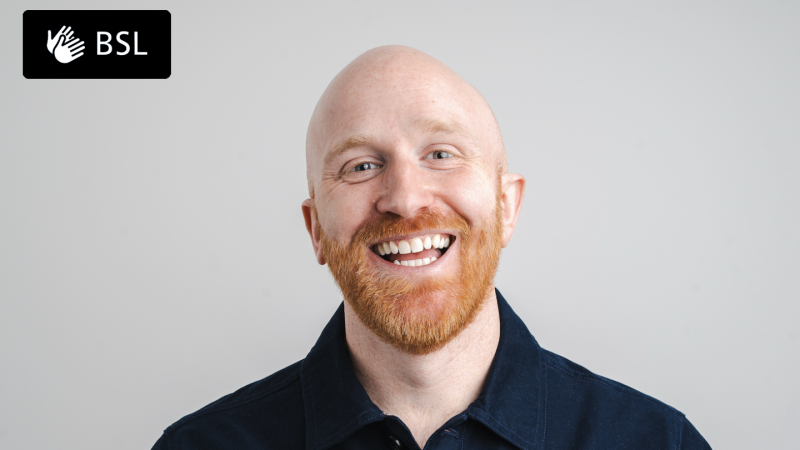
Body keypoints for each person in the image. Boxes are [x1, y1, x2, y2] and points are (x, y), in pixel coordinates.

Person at [152, 46, 711, 450]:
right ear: (316, 229)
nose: (405, 198)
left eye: (441, 153)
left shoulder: (658, 442)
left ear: (506, 204)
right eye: (361, 166)